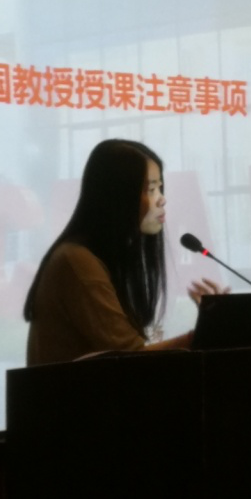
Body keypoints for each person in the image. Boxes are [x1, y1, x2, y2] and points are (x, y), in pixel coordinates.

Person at [24, 139, 226, 366]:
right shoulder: (76, 261)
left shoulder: (102, 258)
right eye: (151, 189)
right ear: (118, 197)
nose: (162, 199)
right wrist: (201, 336)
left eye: (160, 188)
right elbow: (130, 358)